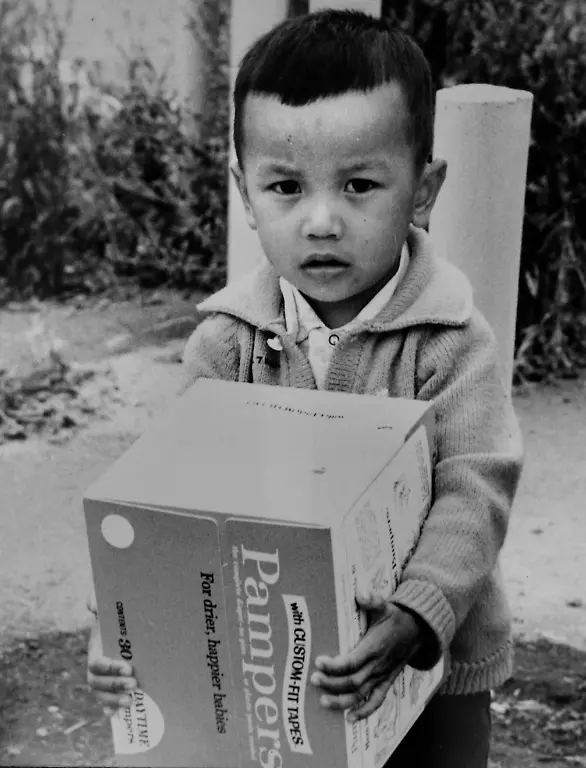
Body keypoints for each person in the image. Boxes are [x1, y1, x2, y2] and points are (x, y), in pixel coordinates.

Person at [86, 9, 524, 767]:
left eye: (359, 184)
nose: (322, 220)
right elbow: (161, 503)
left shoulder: (449, 340)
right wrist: (115, 623)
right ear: (245, 197)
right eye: (285, 187)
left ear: (423, 191)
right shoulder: (227, 344)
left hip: (431, 661)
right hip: (276, 671)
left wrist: (420, 616)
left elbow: (474, 490)